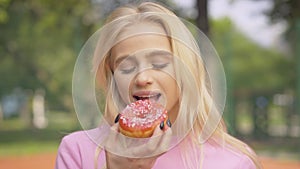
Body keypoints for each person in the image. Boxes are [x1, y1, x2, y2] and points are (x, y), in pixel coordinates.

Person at [55, 2, 262, 169]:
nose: (142, 78)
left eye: (160, 64)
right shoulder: (77, 151)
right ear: (111, 77)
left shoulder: (234, 161)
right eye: (126, 68)